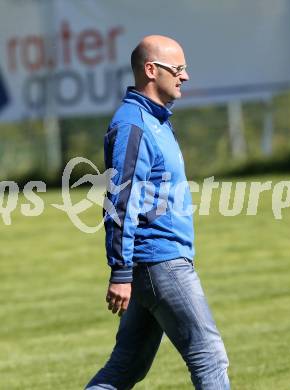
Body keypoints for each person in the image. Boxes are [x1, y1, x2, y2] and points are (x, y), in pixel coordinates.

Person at [85, 35, 230, 390]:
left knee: (126, 368)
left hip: (153, 264)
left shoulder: (157, 120)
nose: (185, 76)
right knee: (209, 357)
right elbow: (120, 202)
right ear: (152, 70)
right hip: (159, 263)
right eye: (178, 68)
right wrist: (120, 271)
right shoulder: (133, 124)